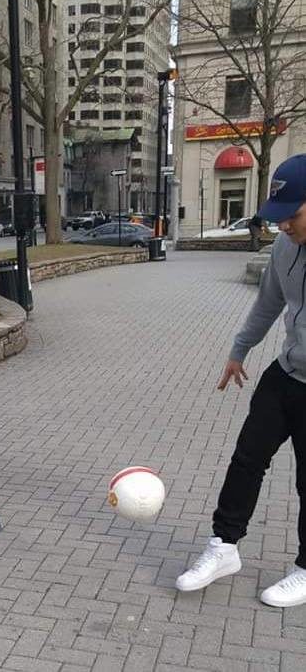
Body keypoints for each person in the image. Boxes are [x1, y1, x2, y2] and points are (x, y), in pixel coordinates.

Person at [176, 154, 306, 608]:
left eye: (293, 214)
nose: (284, 225)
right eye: (279, 215)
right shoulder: (286, 248)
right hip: (287, 373)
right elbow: (269, 302)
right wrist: (239, 350)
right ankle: (224, 547)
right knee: (247, 458)